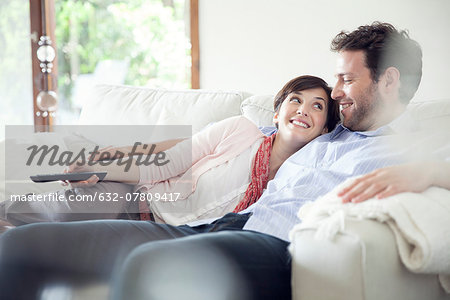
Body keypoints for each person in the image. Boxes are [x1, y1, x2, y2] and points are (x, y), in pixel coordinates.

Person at [0, 22, 447, 300]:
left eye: (346, 79)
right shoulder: (326, 129)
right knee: (22, 245)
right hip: (218, 224)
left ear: (389, 80)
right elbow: (168, 159)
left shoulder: (410, 145)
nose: (333, 93)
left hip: (278, 245)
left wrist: (427, 170)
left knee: (150, 266)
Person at [0, 75, 339, 227]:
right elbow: (165, 164)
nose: (303, 109)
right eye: (296, 99)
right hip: (142, 199)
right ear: (277, 112)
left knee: (68, 231)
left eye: (317, 105)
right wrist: (100, 171)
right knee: (67, 211)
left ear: (325, 128)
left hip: (172, 231)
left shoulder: (304, 177)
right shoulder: (240, 129)